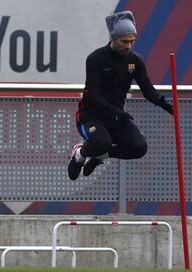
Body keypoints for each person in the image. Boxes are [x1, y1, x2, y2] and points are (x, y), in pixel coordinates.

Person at [68, 10, 173, 180]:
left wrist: (164, 103)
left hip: (116, 117)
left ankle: (100, 156)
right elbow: (93, 95)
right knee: (101, 142)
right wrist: (118, 112)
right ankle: (79, 154)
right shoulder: (95, 59)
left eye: (132, 41)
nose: (129, 46)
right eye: (125, 41)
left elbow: (148, 90)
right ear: (113, 39)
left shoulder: (135, 61)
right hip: (90, 116)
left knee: (139, 147)